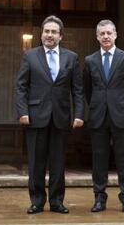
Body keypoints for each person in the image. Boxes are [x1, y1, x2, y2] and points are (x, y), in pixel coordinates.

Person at [15, 15, 84, 214]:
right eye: (47, 31)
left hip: (61, 118)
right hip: (35, 117)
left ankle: (56, 201)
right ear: (41, 34)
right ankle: (37, 201)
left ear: (61, 36)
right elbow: (21, 87)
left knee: (58, 163)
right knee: (36, 162)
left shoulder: (71, 57)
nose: (50, 35)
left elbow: (77, 90)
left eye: (54, 32)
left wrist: (79, 114)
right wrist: (22, 112)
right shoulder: (30, 56)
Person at [84, 19, 124, 213]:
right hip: (98, 116)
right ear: (97, 37)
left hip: (122, 115)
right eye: (102, 34)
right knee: (99, 159)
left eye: (109, 33)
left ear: (115, 35)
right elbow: (87, 90)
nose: (106, 37)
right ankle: (99, 198)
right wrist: (98, 104)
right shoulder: (90, 61)